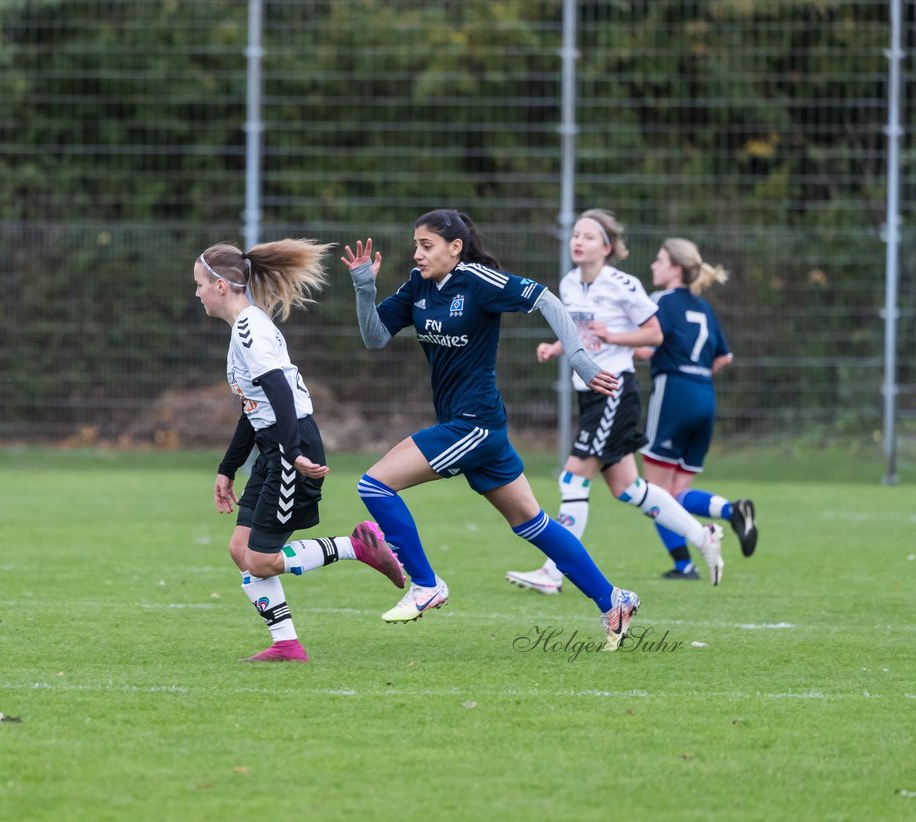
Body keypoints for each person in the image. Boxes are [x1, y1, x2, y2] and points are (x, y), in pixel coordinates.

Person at [344, 209, 641, 651]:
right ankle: (613, 599)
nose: (417, 254)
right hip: (471, 428)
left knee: (375, 485)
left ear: (455, 247)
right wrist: (364, 286)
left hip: (475, 424)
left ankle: (426, 584)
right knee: (531, 522)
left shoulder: (478, 280)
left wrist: (578, 357)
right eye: (416, 246)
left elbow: (545, 299)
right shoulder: (418, 285)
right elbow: (374, 337)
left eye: (426, 246)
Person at [196, 239, 407, 663]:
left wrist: (292, 452)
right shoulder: (244, 329)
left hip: (289, 445)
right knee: (242, 550)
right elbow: (253, 408)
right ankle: (287, 644)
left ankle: (357, 545)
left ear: (221, 286)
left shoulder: (250, 329)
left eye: (199, 284)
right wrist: (228, 468)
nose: (196, 292)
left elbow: (278, 391)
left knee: (261, 559)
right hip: (275, 444)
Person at [504, 209, 727, 595]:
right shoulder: (570, 283)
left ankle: (554, 572)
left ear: (607, 247)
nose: (578, 241)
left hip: (613, 390)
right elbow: (581, 331)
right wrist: (556, 346)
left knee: (572, 477)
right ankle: (703, 536)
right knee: (628, 487)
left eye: (589, 236)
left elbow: (655, 334)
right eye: (575, 234)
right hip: (588, 394)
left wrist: (616, 338)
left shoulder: (622, 283)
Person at [638, 237, 757, 580]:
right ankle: (730, 510)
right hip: (705, 393)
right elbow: (724, 356)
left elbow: (646, 348)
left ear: (676, 268)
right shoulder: (704, 307)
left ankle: (685, 563)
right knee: (676, 493)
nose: (653, 266)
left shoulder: (660, 301)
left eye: (659, 260)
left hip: (674, 392)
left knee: (654, 494)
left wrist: (606, 346)